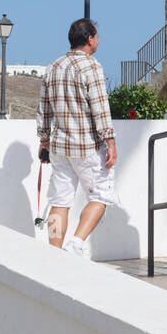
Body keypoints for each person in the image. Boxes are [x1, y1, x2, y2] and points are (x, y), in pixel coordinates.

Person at [36, 18, 116, 259]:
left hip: (60, 147)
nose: (98, 40)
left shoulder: (52, 67)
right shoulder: (92, 67)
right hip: (87, 147)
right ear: (90, 39)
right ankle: (76, 243)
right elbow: (100, 108)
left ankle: (54, 253)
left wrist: (44, 140)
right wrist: (110, 141)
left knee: (60, 201)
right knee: (101, 195)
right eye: (97, 37)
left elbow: (44, 108)